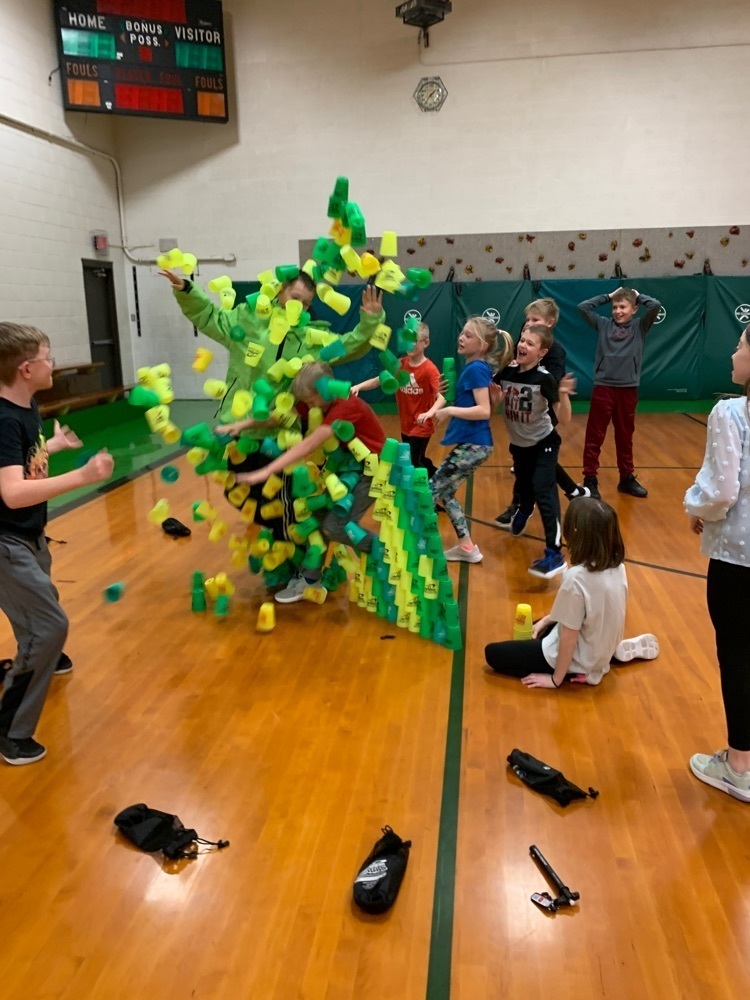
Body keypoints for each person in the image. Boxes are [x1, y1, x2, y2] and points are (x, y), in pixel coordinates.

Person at [161, 267, 384, 537]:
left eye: (306, 303)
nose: (299, 306)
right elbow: (211, 317)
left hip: (281, 432)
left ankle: (299, 556)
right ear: (280, 291)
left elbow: (349, 345)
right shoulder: (246, 321)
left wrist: (370, 322)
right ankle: (289, 539)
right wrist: (187, 290)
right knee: (237, 492)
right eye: (295, 297)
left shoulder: (309, 339)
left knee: (283, 503)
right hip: (242, 425)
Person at [0, 323, 113, 765]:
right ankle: (9, 731)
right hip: (6, 539)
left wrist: (55, 447)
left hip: (29, 533)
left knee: (39, 611)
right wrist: (82, 477)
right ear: (27, 368)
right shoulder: (5, 420)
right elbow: (11, 492)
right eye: (48, 357)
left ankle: (39, 656)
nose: (54, 363)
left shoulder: (27, 408)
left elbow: (25, 466)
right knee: (50, 625)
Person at [235, 361, 385, 604]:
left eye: (312, 400)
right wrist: (240, 425)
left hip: (374, 469)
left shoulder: (345, 406)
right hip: (349, 468)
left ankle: (384, 553)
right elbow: (279, 418)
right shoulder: (318, 403)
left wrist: (265, 472)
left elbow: (310, 444)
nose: (309, 406)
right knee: (316, 523)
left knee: (336, 526)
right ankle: (309, 581)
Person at [485, 498, 658, 687]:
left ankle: (582, 672)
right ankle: (606, 656)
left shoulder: (576, 578)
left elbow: (569, 637)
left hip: (578, 658)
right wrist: (545, 621)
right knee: (537, 626)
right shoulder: (618, 567)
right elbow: (591, 613)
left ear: (576, 533)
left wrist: (555, 679)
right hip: (601, 642)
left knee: (493, 654)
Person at [685, 324, 750, 802]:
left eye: (743, 343)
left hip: (738, 560)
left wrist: (696, 507)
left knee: (739, 655)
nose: (734, 349)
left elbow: (721, 491)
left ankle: (740, 766)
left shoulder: (731, 411)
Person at [418, 317, 514, 564]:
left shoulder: (475, 369)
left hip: (475, 445)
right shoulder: (475, 368)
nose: (461, 337)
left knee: (429, 490)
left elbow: (483, 411)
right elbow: (481, 405)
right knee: (446, 493)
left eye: (469, 335)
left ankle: (419, 547)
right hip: (476, 445)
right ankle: (467, 547)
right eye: (462, 333)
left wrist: (448, 411)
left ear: (482, 345)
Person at [495, 298, 588, 527]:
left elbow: (551, 385)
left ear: (550, 323)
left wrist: (543, 383)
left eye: (535, 320)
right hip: (528, 405)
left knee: (535, 457)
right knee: (540, 458)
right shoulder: (524, 343)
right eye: (527, 320)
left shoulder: (555, 351)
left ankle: (518, 506)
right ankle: (573, 490)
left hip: (546, 407)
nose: (528, 324)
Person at [493, 324, 575, 579]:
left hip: (545, 443)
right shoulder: (506, 373)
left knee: (544, 489)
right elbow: (493, 400)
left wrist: (563, 394)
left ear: (542, 352)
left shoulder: (544, 379)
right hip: (519, 445)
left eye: (530, 343)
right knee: (525, 488)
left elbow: (564, 418)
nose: (522, 345)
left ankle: (555, 553)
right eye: (522, 340)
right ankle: (525, 509)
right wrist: (494, 399)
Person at [578, 285, 662, 499]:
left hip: (628, 389)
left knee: (625, 436)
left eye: (623, 306)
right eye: (615, 307)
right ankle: (590, 479)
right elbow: (583, 307)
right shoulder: (603, 324)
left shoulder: (640, 327)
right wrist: (608, 296)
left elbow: (655, 306)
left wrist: (637, 295)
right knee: (595, 436)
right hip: (603, 387)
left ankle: (626, 478)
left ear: (633, 309)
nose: (617, 311)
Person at [351, 321, 443, 475]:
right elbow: (379, 380)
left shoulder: (430, 370)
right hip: (406, 425)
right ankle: (437, 475)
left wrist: (429, 413)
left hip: (422, 426)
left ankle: (427, 492)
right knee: (418, 459)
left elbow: (441, 398)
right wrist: (358, 386)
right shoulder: (399, 365)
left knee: (410, 463)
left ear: (425, 343)